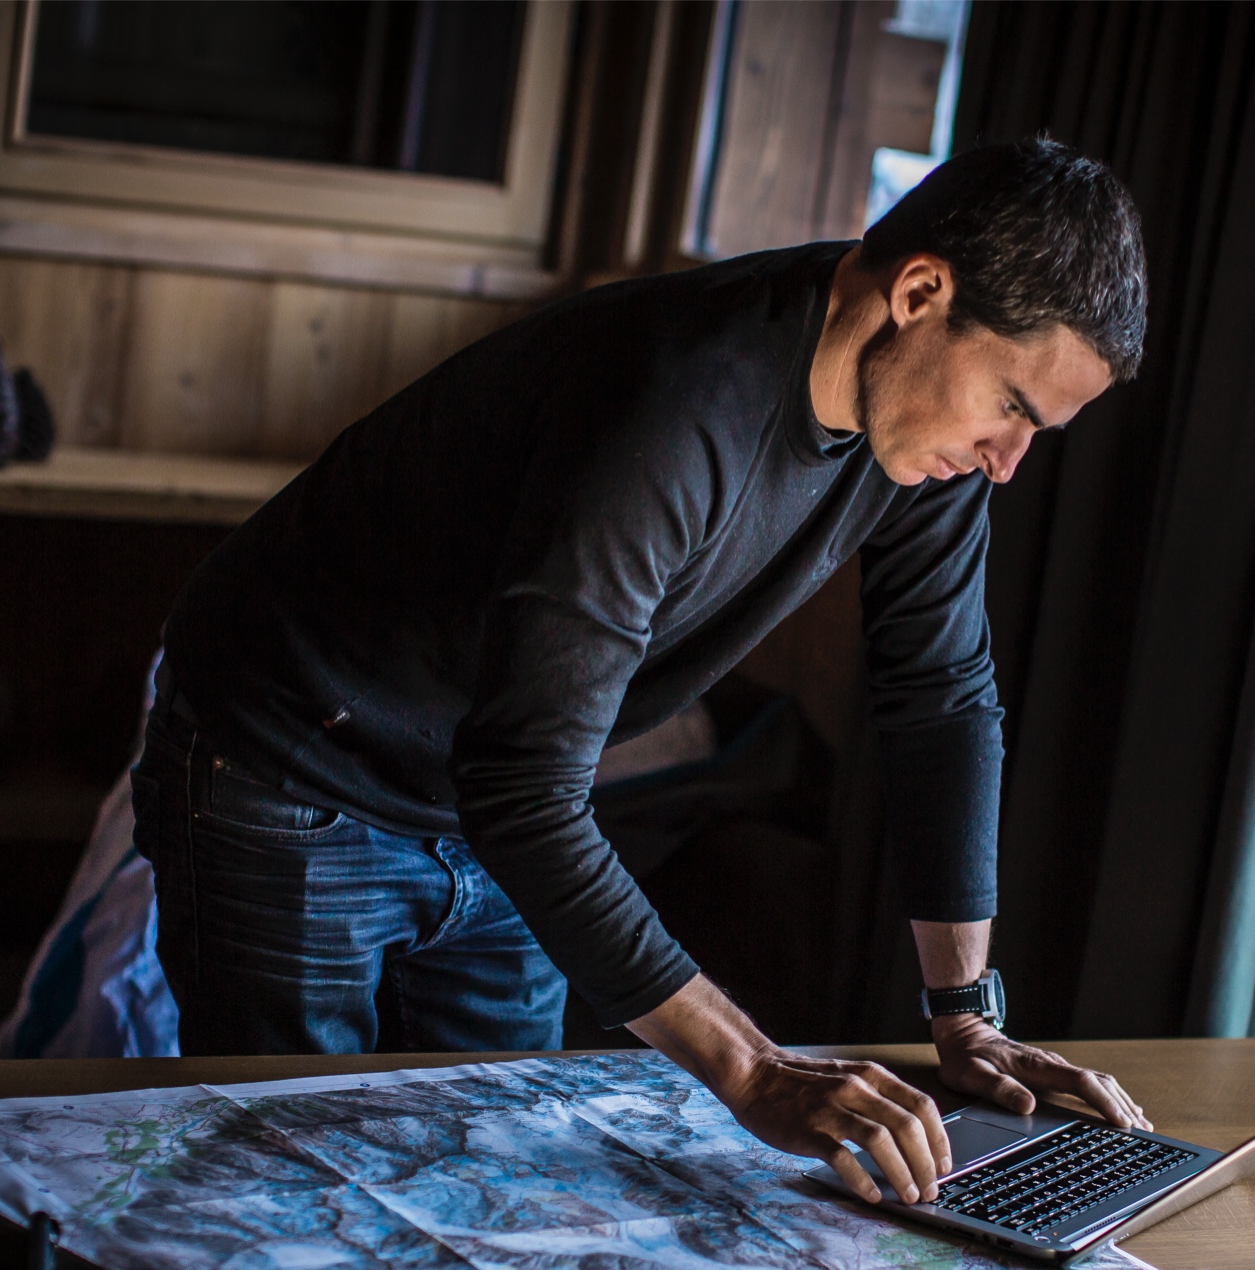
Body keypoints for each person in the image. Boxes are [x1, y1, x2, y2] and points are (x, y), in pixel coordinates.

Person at [131, 138, 1151, 1208]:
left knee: (490, 1187)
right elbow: (524, 790)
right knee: (287, 1195)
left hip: (492, 796)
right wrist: (751, 1069)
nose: (1005, 461)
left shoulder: (921, 431)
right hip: (294, 753)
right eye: (1012, 407)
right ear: (919, 294)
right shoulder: (676, 405)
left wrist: (965, 1015)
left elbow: (939, 697)